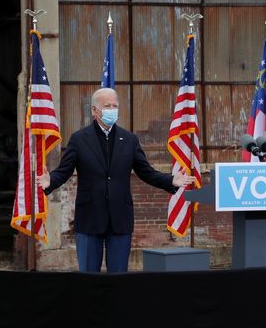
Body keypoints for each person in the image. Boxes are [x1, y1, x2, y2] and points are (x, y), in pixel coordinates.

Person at [36, 87, 193, 273]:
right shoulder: (79, 139)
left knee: (119, 277)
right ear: (95, 111)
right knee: (88, 276)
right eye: (107, 106)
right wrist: (50, 181)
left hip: (120, 218)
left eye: (115, 106)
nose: (112, 109)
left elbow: (146, 172)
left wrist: (170, 180)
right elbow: (64, 171)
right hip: (89, 218)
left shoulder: (129, 139)